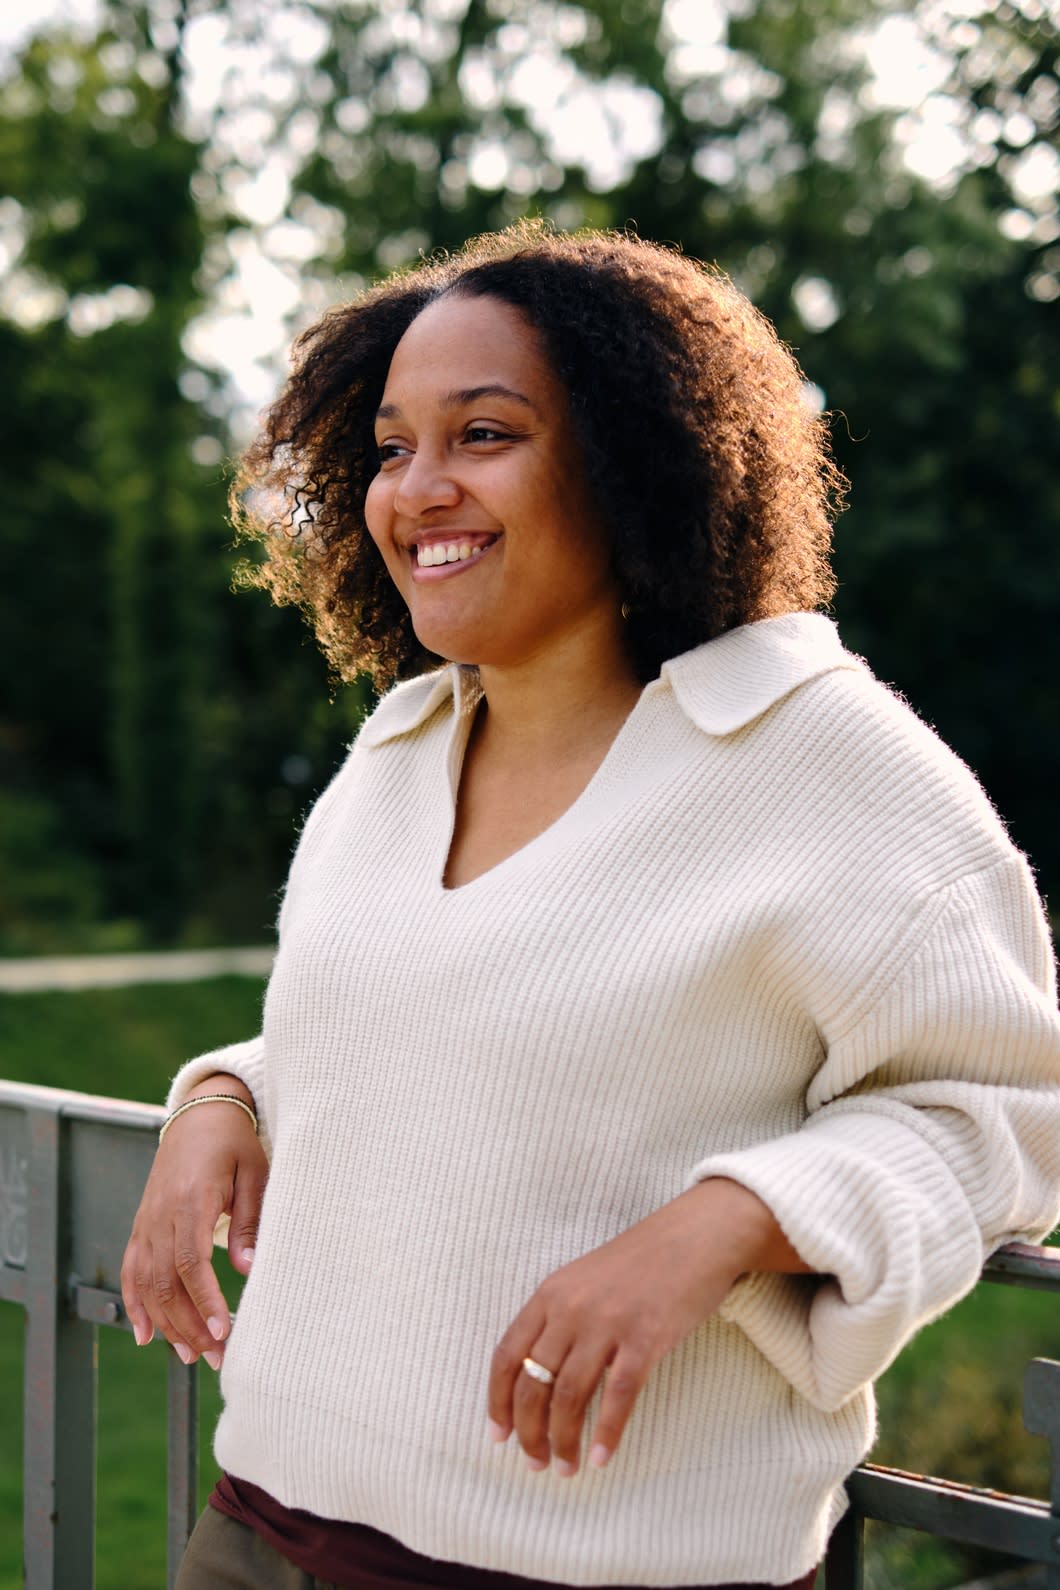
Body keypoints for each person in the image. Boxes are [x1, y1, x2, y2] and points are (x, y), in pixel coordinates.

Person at [122, 222, 1060, 1590]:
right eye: (390, 447)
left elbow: (1007, 1112)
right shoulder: (398, 749)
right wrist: (224, 1097)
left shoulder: (825, 759)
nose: (417, 489)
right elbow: (435, 1035)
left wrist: (723, 1222)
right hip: (261, 1532)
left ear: (638, 456)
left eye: (483, 434)